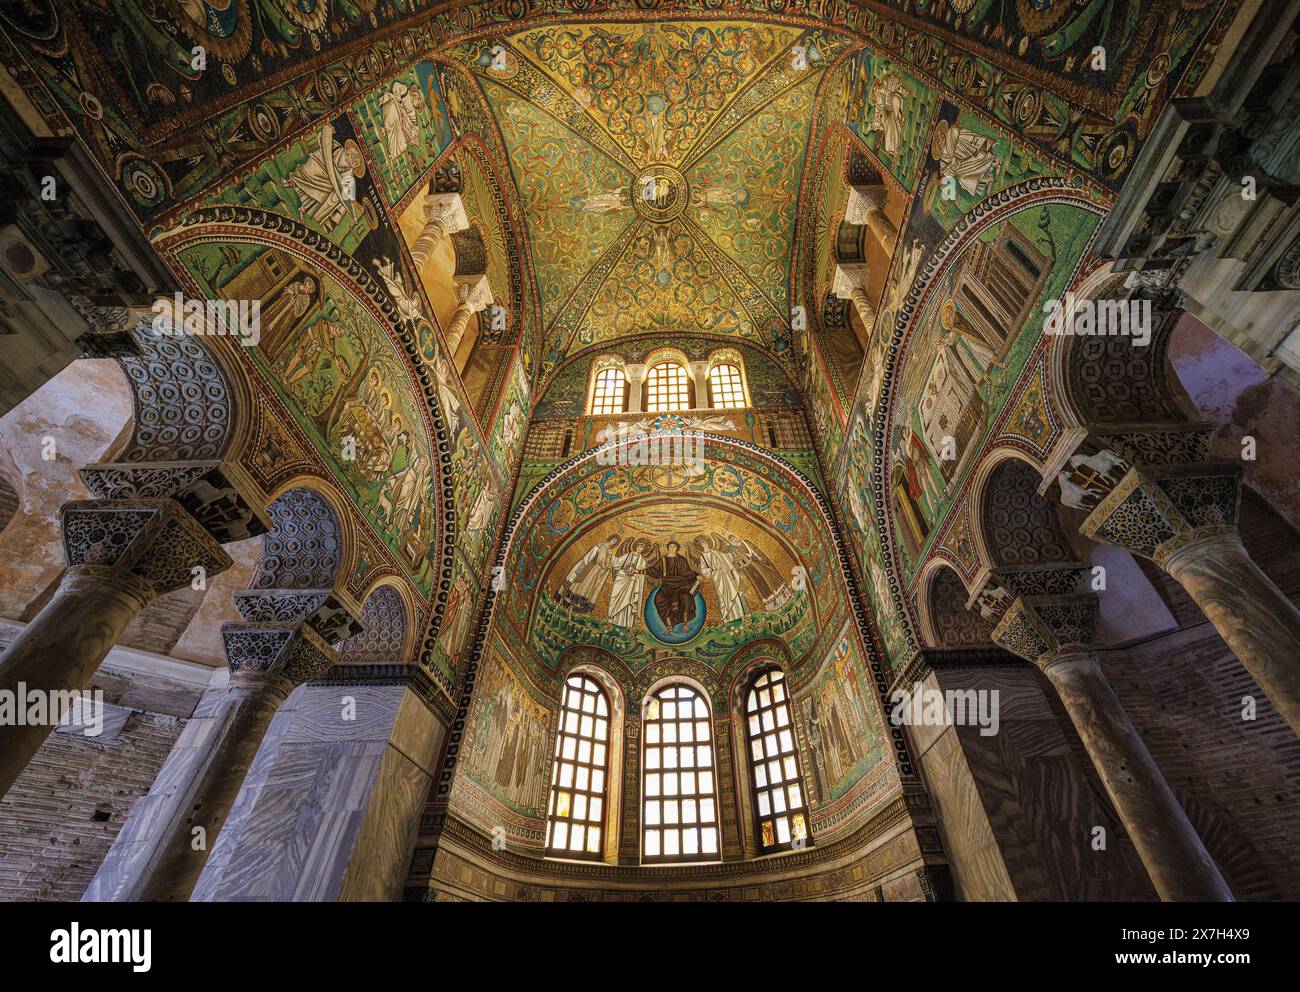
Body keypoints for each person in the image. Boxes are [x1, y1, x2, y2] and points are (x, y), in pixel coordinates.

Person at [646, 541, 701, 633]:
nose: (672, 548)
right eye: (670, 546)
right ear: (668, 548)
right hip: (667, 586)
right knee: (659, 599)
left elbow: (688, 572)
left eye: (674, 546)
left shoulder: (682, 559)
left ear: (677, 548)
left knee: (686, 598)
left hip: (681, 586)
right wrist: (639, 571)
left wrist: (696, 575)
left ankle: (685, 624)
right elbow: (653, 570)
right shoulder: (663, 560)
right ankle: (669, 625)